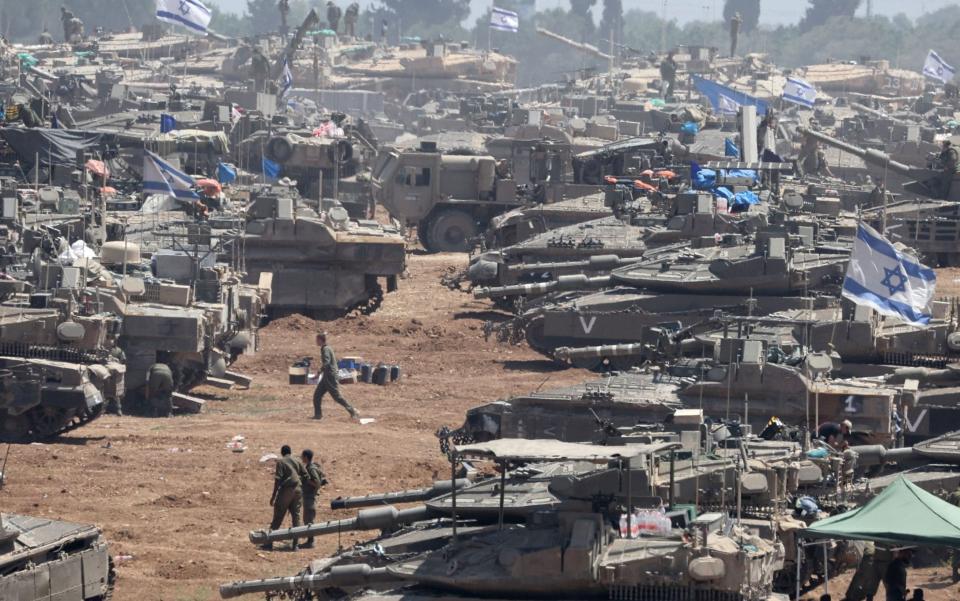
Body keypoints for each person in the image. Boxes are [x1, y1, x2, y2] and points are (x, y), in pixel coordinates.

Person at [265, 445, 306, 550]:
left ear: (282, 453)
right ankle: (295, 544)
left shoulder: (281, 462)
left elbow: (277, 480)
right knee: (296, 517)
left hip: (287, 491)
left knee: (278, 515)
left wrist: (273, 496)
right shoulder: (297, 460)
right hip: (298, 490)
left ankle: (269, 542)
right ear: (290, 452)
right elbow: (305, 475)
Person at [313, 331, 359, 420]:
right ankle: (318, 415)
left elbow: (327, 362)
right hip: (327, 376)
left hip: (330, 376)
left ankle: (353, 411)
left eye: (317, 340)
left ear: (320, 340)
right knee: (317, 395)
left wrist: (319, 372)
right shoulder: (326, 348)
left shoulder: (326, 349)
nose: (316, 341)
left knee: (337, 397)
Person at [300, 448, 326, 548]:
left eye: (302, 456)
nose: (301, 458)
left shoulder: (311, 468)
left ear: (306, 457)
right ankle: (309, 540)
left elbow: (316, 483)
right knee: (307, 519)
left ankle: (310, 542)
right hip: (308, 496)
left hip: (309, 497)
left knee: (308, 519)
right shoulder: (311, 467)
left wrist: (306, 480)